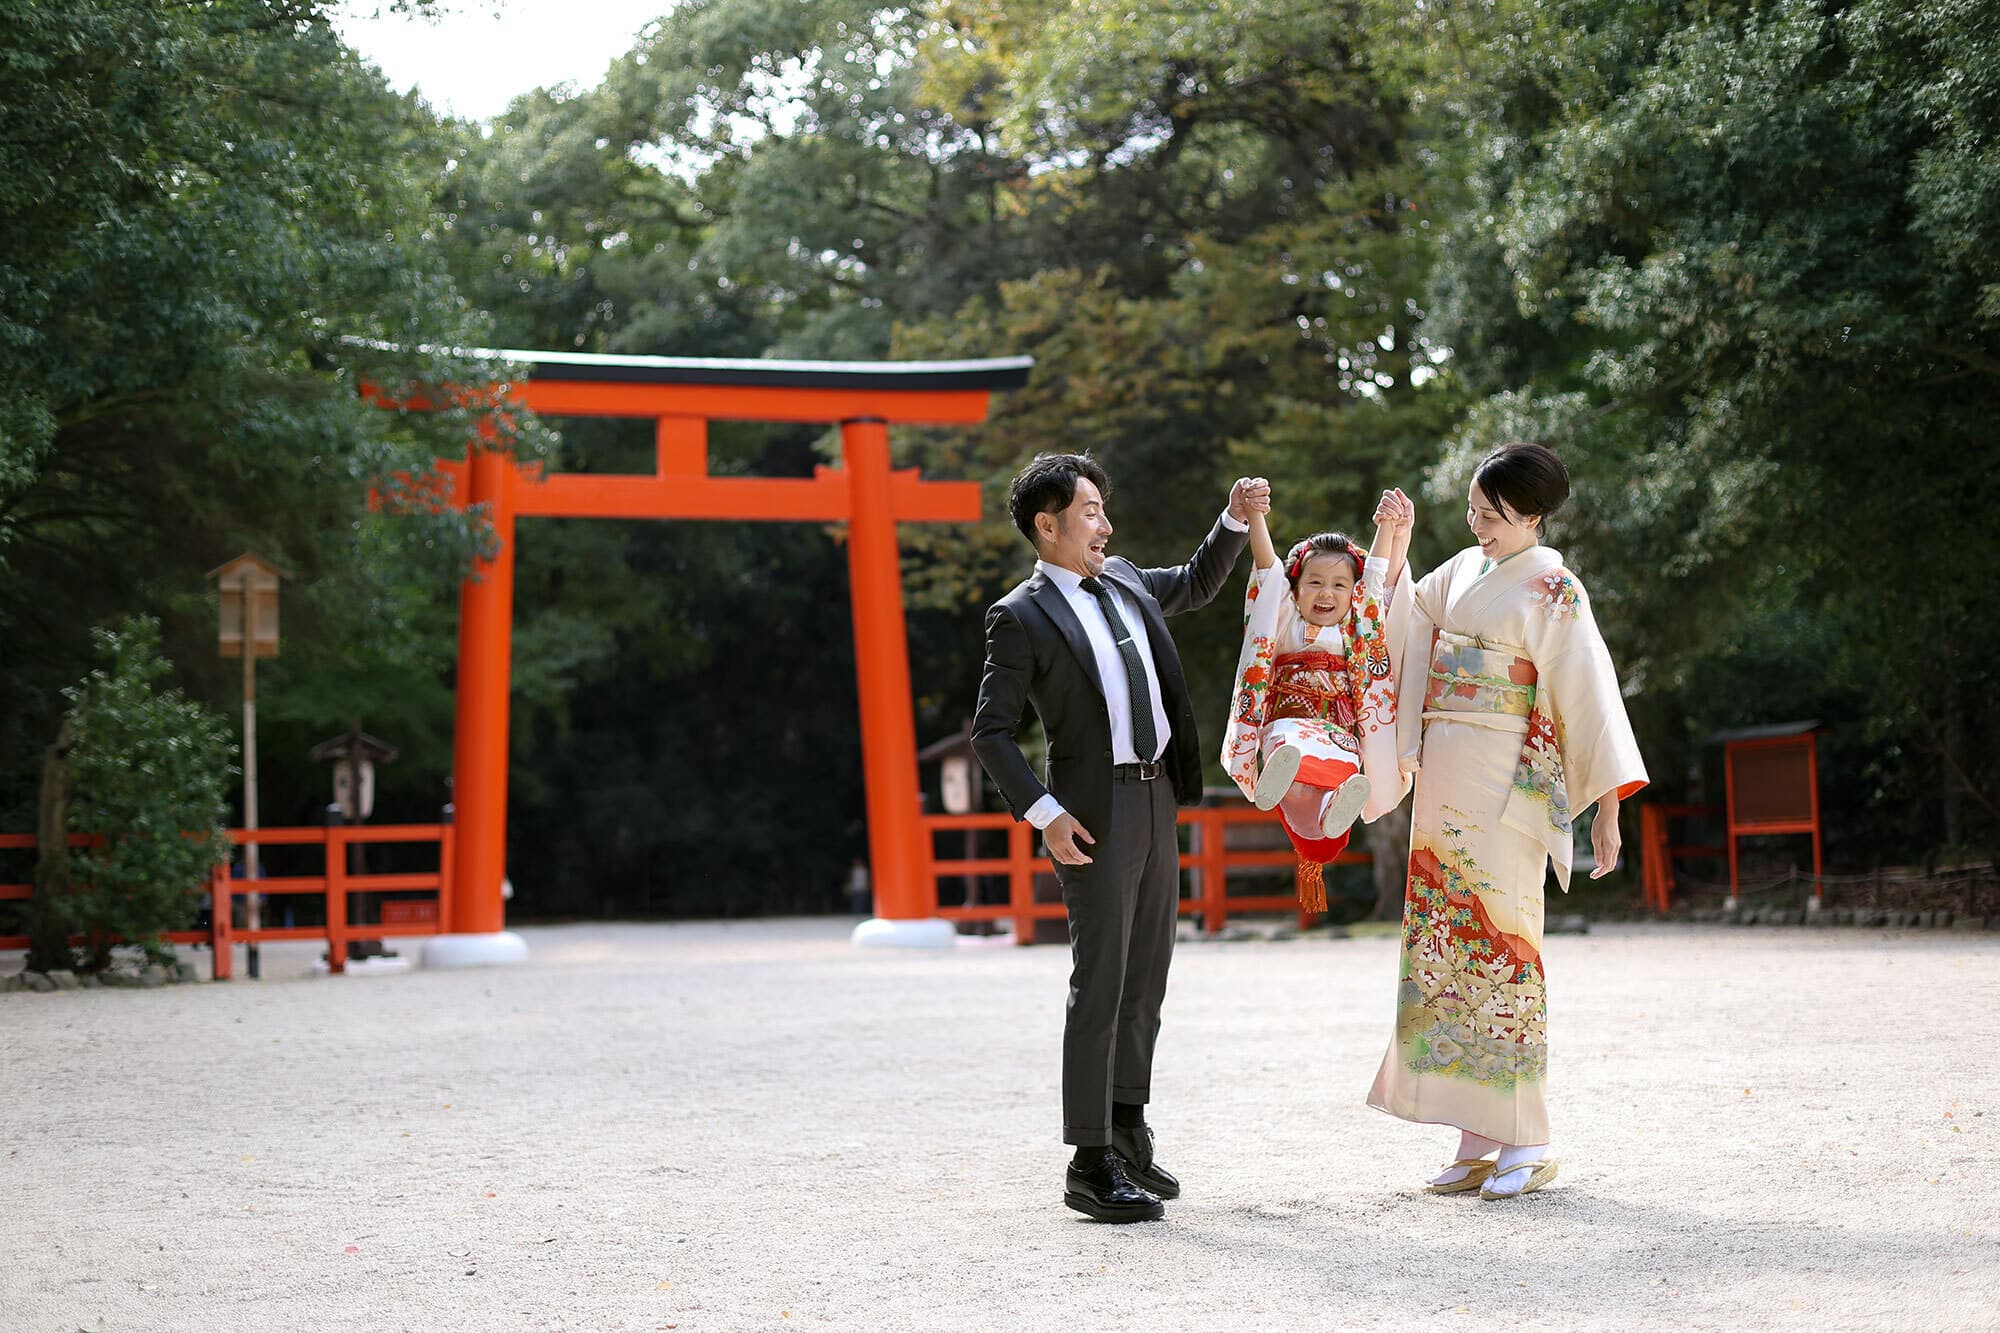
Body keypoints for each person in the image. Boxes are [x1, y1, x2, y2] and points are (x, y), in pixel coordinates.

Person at [971, 452, 1259, 1223]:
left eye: (1104, 509)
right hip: (1093, 818)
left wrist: (1234, 517)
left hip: (1159, 794)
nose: (1106, 523)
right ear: (1048, 523)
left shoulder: (1128, 579)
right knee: (1100, 982)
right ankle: (1088, 1161)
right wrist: (1045, 812)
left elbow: (1197, 582)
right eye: (1091, 510)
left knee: (1148, 977)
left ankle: (1128, 1130)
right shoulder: (1020, 614)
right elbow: (991, 733)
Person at [1365, 442, 1648, 1200]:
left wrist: (1608, 811)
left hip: (1506, 784)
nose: (1477, 526)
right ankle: (1477, 1135)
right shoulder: (1460, 570)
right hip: (1445, 778)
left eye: (1491, 516)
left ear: (1532, 514)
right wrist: (1390, 546)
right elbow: (1395, 616)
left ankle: (1531, 1134)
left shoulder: (1555, 588)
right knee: (1445, 950)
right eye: (1471, 512)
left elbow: (1589, 698)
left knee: (1503, 947)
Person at [1221, 489, 1416, 909]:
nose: (1326, 593)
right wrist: (1256, 517)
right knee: (1290, 758)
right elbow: (1268, 570)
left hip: (1337, 727)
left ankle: (1333, 803)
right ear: (1296, 588)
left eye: (1339, 585)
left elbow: (1375, 577)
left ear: (1352, 593)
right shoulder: (1286, 616)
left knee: (1342, 769)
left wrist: (1386, 527)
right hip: (1289, 720)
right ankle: (1289, 779)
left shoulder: (1355, 625)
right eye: (1314, 582)